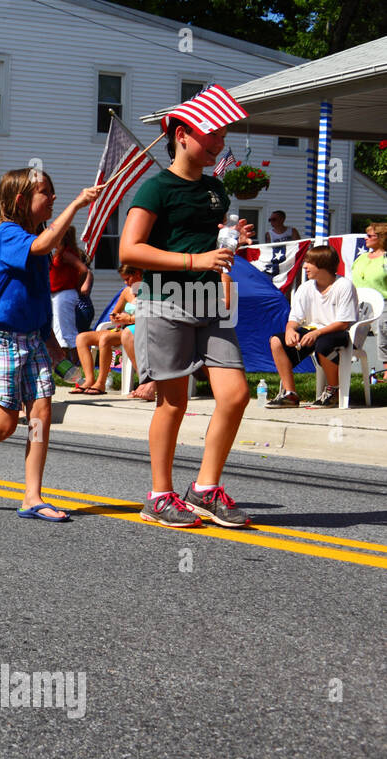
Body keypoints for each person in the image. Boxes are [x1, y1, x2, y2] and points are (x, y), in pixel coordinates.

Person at [119, 97, 255, 529]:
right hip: (166, 301)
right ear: (182, 135)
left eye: (222, 137)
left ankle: (204, 489)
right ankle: (159, 496)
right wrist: (196, 261)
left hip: (210, 303)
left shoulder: (216, 189)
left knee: (235, 394)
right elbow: (130, 249)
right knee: (174, 403)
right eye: (212, 135)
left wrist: (232, 240)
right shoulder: (156, 187)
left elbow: (203, 240)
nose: (219, 143)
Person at [0, 168, 99, 518]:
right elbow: (41, 246)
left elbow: (40, 298)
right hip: (2, 339)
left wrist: (53, 345)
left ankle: (32, 497)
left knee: (41, 414)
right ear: (22, 200)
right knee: (5, 424)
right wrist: (78, 203)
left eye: (54, 192)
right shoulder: (6, 234)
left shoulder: (38, 237)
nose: (52, 197)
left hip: (34, 339)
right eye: (46, 192)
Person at [265, 245, 357, 408]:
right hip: (312, 333)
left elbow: (343, 323)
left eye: (309, 263)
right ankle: (290, 394)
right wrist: (290, 330)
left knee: (323, 343)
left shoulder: (344, 285)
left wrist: (317, 333)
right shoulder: (306, 288)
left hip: (339, 333)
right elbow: (295, 318)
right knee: (276, 341)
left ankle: (333, 390)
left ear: (323, 265)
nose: (304, 266)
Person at [72, 264, 141, 394]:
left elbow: (151, 316)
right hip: (122, 329)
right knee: (82, 338)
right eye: (124, 280)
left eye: (128, 279)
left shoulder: (148, 291)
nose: (126, 283)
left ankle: (101, 383)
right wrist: (116, 317)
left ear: (137, 274)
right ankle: (89, 379)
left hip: (137, 330)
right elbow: (114, 312)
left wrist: (129, 319)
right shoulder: (126, 291)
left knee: (105, 338)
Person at [349, 221, 386, 372]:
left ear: (381, 238)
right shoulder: (361, 258)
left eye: (370, 235)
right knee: (350, 338)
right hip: (359, 304)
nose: (366, 238)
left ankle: (385, 372)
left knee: (384, 336)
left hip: (383, 303)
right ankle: (342, 371)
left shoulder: (385, 259)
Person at [49, 226, 89, 358]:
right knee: (59, 330)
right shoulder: (59, 253)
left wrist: (77, 286)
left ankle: (75, 362)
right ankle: (65, 363)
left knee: (67, 332)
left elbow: (83, 269)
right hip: (57, 294)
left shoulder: (66, 253)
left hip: (64, 293)